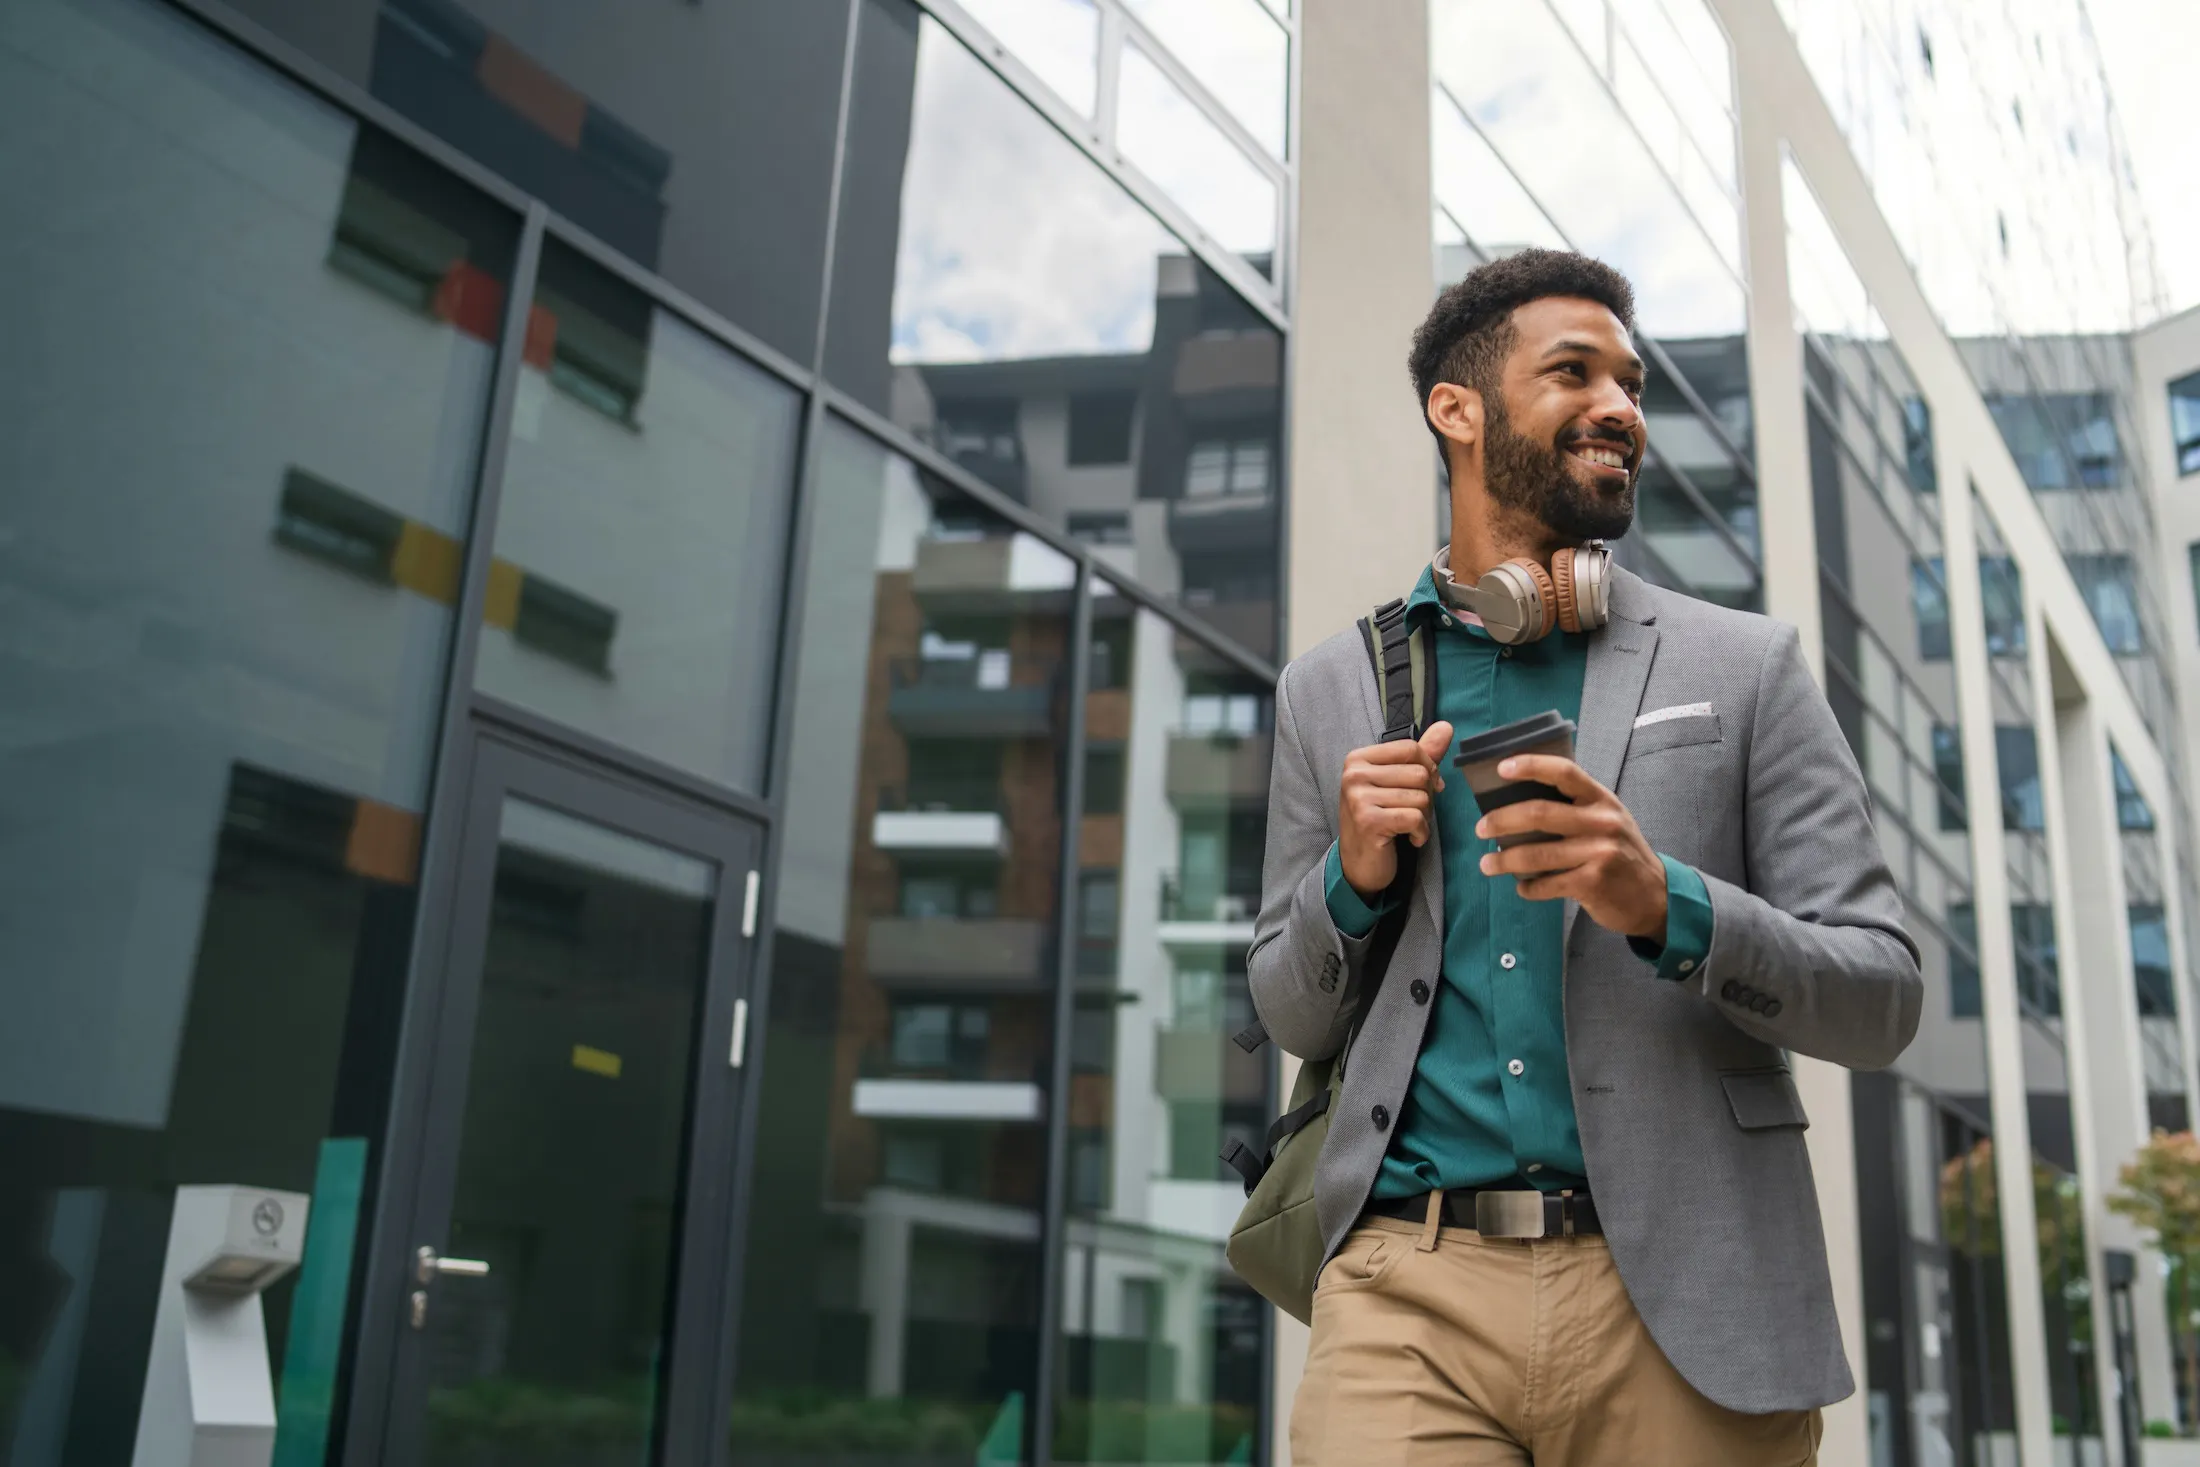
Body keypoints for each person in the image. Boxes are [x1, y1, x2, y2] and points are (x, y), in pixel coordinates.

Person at [1249, 248, 1922, 1465]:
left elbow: (1881, 998)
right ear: (1456, 411)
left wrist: (1668, 905)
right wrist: (1346, 881)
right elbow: (1291, 1010)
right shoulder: (1328, 688)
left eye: (1631, 384)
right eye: (1574, 373)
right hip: (1406, 1290)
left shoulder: (1746, 668)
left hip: (1694, 1295)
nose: (1620, 407)